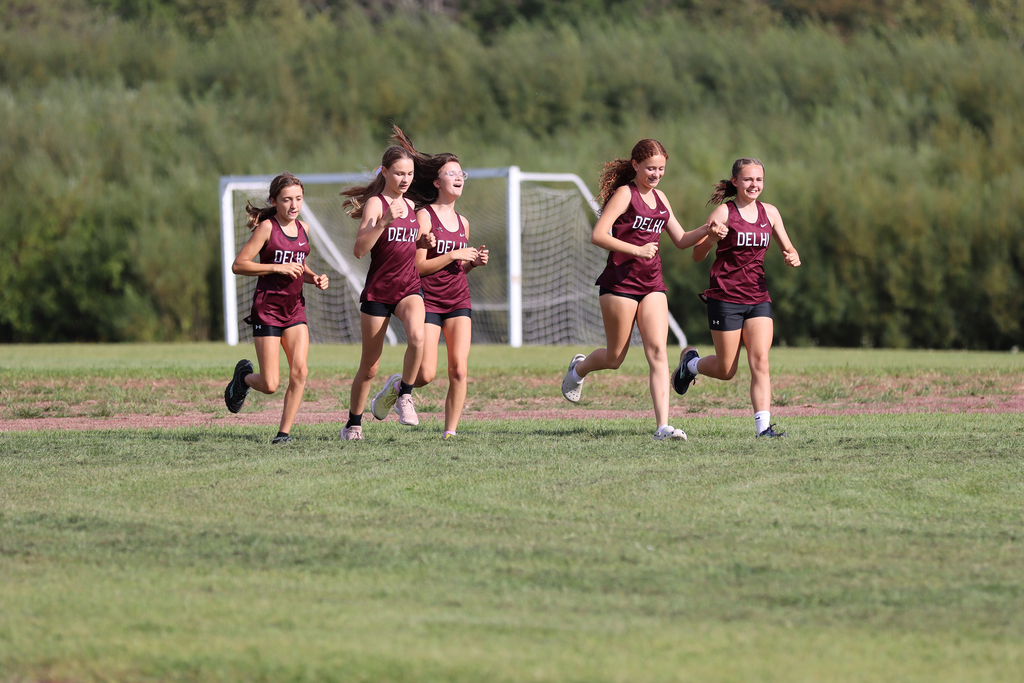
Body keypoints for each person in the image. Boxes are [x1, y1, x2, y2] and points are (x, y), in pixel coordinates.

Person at [560, 139, 717, 440]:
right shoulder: (625, 194)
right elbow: (598, 235)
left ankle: (662, 427)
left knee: (658, 351)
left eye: (661, 169)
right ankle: (580, 368)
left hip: (652, 284)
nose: (656, 174)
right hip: (619, 283)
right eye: (650, 168)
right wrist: (636, 250)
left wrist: (707, 230)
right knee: (614, 357)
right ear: (635, 165)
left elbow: (682, 239)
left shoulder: (661, 198)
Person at [672, 157, 801, 438]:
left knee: (760, 362)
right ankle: (691, 364)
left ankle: (763, 429)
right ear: (735, 182)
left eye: (759, 180)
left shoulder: (772, 213)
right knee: (726, 369)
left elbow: (788, 247)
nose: (754, 184)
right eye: (748, 179)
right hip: (726, 297)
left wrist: (792, 255)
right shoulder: (723, 213)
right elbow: (696, 254)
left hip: (758, 297)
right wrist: (711, 237)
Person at [388, 127, 489, 440]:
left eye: (461, 173)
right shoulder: (424, 216)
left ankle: (450, 432)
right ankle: (397, 386)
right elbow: (418, 268)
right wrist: (456, 253)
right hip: (428, 301)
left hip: (458, 300)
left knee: (459, 369)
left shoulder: (464, 222)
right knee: (427, 374)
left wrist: (471, 263)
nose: (459, 177)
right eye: (451, 173)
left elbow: (455, 269)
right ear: (436, 182)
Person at [338, 144, 436, 441]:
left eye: (409, 174)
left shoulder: (413, 209)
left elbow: (412, 244)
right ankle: (353, 424)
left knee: (418, 337)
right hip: (379, 292)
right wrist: (383, 222)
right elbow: (359, 250)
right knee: (369, 367)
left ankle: (404, 394)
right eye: (398, 173)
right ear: (384, 172)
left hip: (408, 289)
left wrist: (425, 240)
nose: (405, 179)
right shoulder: (377, 204)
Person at [224, 172, 330, 444]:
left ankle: (283, 434)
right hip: (267, 311)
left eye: (298, 199)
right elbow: (239, 265)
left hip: (295, 310)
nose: (293, 205)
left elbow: (298, 265)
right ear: (274, 201)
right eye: (286, 200)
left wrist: (314, 277)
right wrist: (275, 267)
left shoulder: (304, 228)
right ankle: (243, 379)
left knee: (301, 371)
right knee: (270, 385)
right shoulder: (267, 228)